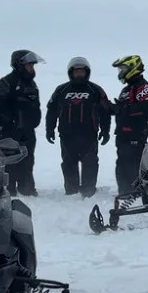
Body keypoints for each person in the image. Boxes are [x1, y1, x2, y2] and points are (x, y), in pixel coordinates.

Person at [45, 58, 112, 198]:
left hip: (89, 134)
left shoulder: (96, 90)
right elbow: (51, 111)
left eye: (82, 71)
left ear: (87, 72)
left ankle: (88, 191)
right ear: (71, 73)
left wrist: (106, 131)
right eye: (77, 71)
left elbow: (105, 112)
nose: (79, 74)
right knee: (69, 163)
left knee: (90, 163)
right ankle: (72, 191)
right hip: (67, 135)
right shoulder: (61, 90)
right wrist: (49, 129)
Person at [0, 50, 44, 196]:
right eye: (29, 65)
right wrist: (10, 121)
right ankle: (9, 189)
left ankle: (27, 188)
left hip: (28, 129)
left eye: (32, 66)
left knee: (28, 160)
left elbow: (36, 105)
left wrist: (35, 120)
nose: (31, 69)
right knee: (10, 160)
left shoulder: (32, 84)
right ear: (19, 65)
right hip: (11, 130)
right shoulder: (6, 82)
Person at [109, 55, 148, 195]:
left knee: (132, 163)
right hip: (122, 132)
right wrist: (109, 107)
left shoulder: (143, 86)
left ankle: (136, 193)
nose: (121, 72)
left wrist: (120, 109)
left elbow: (141, 109)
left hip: (135, 132)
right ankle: (124, 192)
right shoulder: (126, 89)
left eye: (123, 68)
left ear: (132, 68)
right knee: (121, 163)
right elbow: (122, 108)